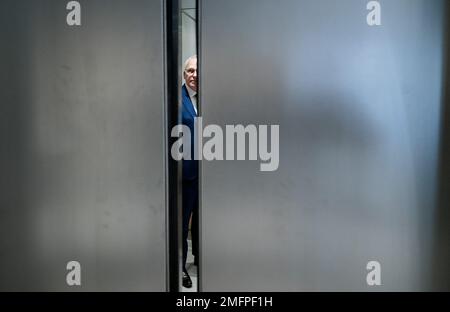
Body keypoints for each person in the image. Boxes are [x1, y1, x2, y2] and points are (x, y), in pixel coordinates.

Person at [181, 55, 199, 288]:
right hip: (185, 175)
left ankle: (202, 259)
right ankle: (180, 267)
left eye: (198, 70)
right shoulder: (175, 98)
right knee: (182, 223)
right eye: (190, 70)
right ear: (184, 74)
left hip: (210, 176)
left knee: (205, 222)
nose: (194, 75)